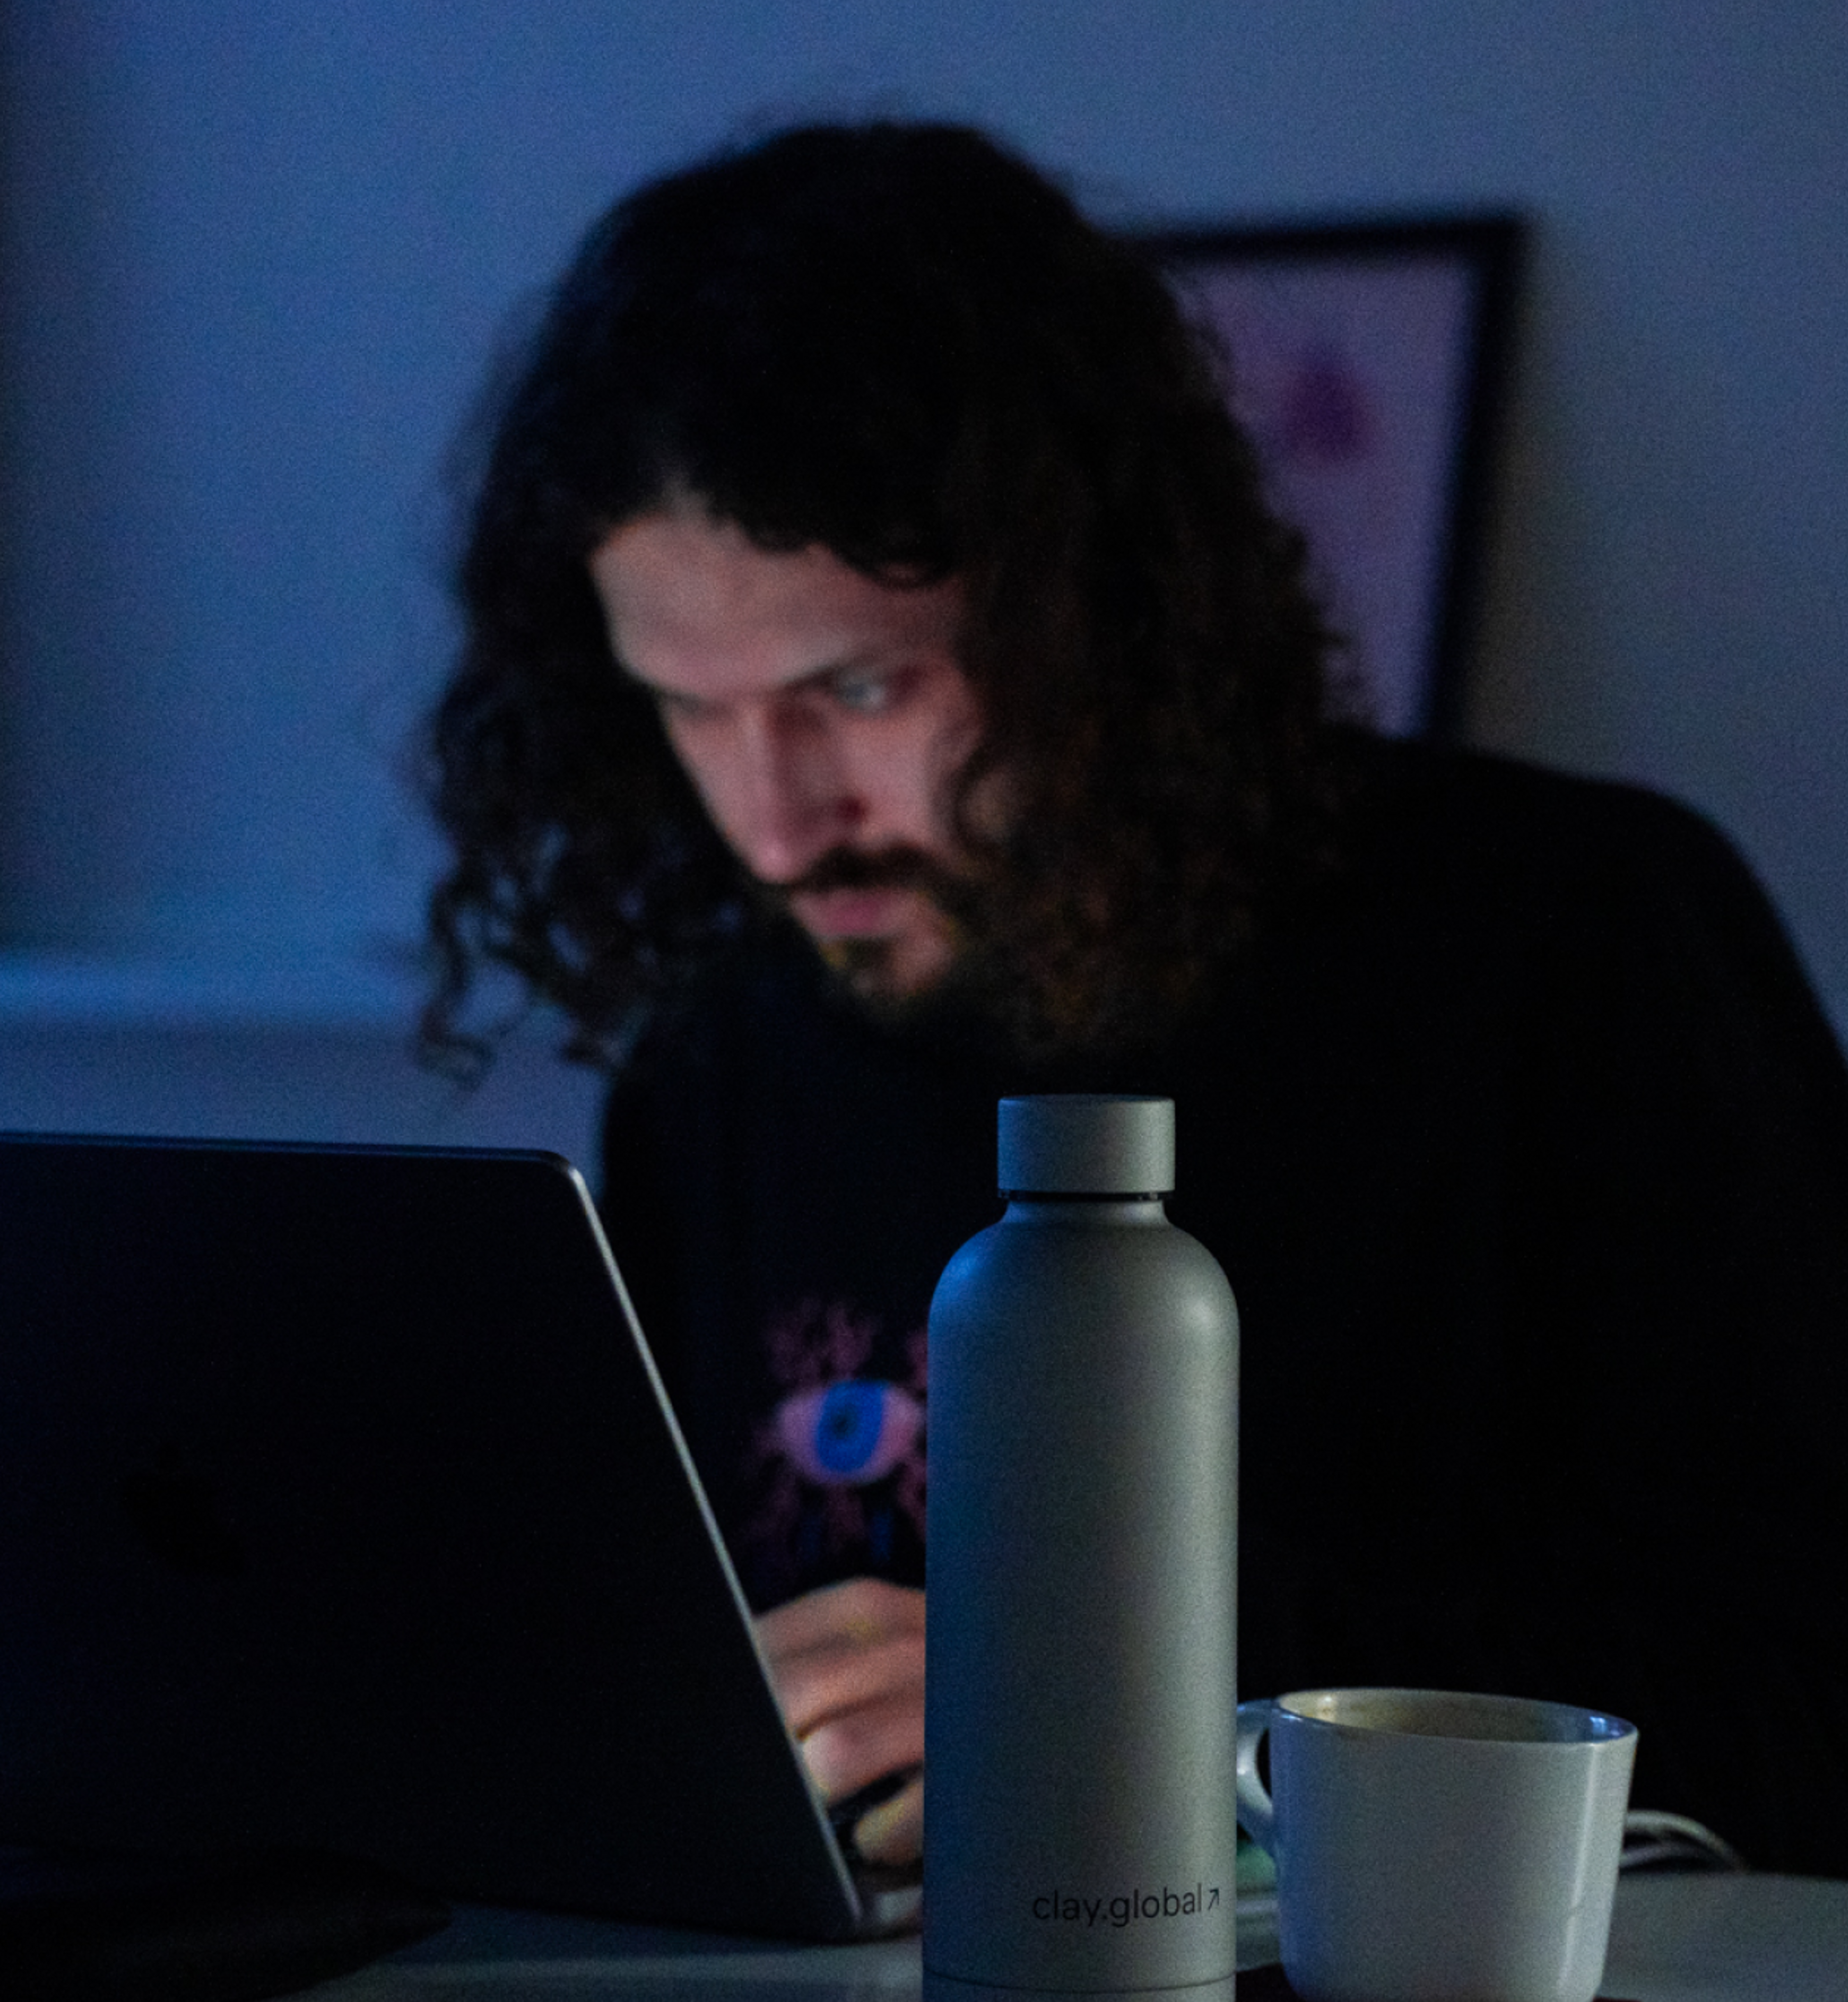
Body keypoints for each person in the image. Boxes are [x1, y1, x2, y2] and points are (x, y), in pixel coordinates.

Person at [423, 120, 1848, 1881]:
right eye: (688, 707)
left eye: (859, 686)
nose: (776, 820)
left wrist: (1142, 1713)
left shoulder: (1578, 943)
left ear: (1092, 608)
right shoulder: (718, 1061)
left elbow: (1804, 1669)